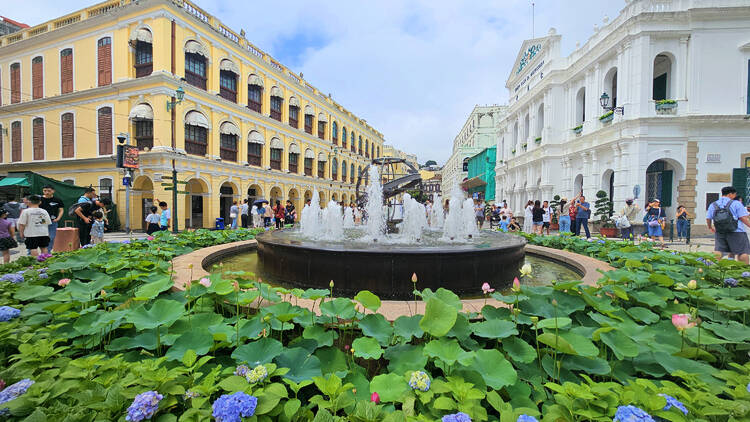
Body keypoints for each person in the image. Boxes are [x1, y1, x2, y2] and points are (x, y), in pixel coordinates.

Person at [706, 186, 750, 264]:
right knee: (742, 253)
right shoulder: (736, 203)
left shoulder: (713, 204)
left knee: (718, 251)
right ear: (730, 194)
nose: (735, 196)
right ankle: (743, 272)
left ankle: (714, 269)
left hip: (720, 231)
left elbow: (708, 218)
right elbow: (743, 218)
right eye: (734, 194)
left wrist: (710, 227)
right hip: (737, 231)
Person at [40, 186, 64, 253]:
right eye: (45, 190)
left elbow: (61, 210)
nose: (47, 192)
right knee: (40, 238)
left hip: (53, 221)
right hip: (41, 222)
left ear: (53, 191)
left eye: (49, 191)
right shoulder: (39, 200)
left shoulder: (57, 200)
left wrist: (58, 218)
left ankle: (47, 252)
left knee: (51, 237)